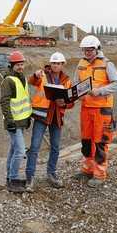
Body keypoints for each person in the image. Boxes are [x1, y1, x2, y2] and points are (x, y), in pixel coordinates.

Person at [74, 35, 117, 188]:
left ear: (97, 49)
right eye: (85, 50)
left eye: (90, 50)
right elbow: (76, 83)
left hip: (102, 109)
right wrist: (77, 94)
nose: (87, 52)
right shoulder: (80, 64)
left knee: (100, 142)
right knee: (86, 141)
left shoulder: (107, 64)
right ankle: (87, 170)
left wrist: (100, 91)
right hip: (86, 109)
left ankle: (99, 174)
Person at [25, 51, 73, 192]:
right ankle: (30, 177)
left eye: (58, 63)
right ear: (50, 64)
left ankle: (51, 174)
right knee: (34, 147)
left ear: (62, 64)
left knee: (55, 147)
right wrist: (35, 75)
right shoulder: (43, 75)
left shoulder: (67, 80)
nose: (56, 65)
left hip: (56, 117)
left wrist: (64, 103)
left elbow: (71, 102)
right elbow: (31, 81)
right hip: (41, 116)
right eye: (53, 63)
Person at [0, 50, 32, 193]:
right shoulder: (8, 80)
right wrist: (10, 120)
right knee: (20, 151)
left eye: (21, 64)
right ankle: (13, 179)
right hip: (13, 122)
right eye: (17, 64)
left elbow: (24, 100)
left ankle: (9, 178)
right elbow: (4, 102)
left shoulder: (22, 78)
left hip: (21, 121)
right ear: (12, 65)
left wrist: (27, 118)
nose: (20, 67)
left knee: (13, 150)